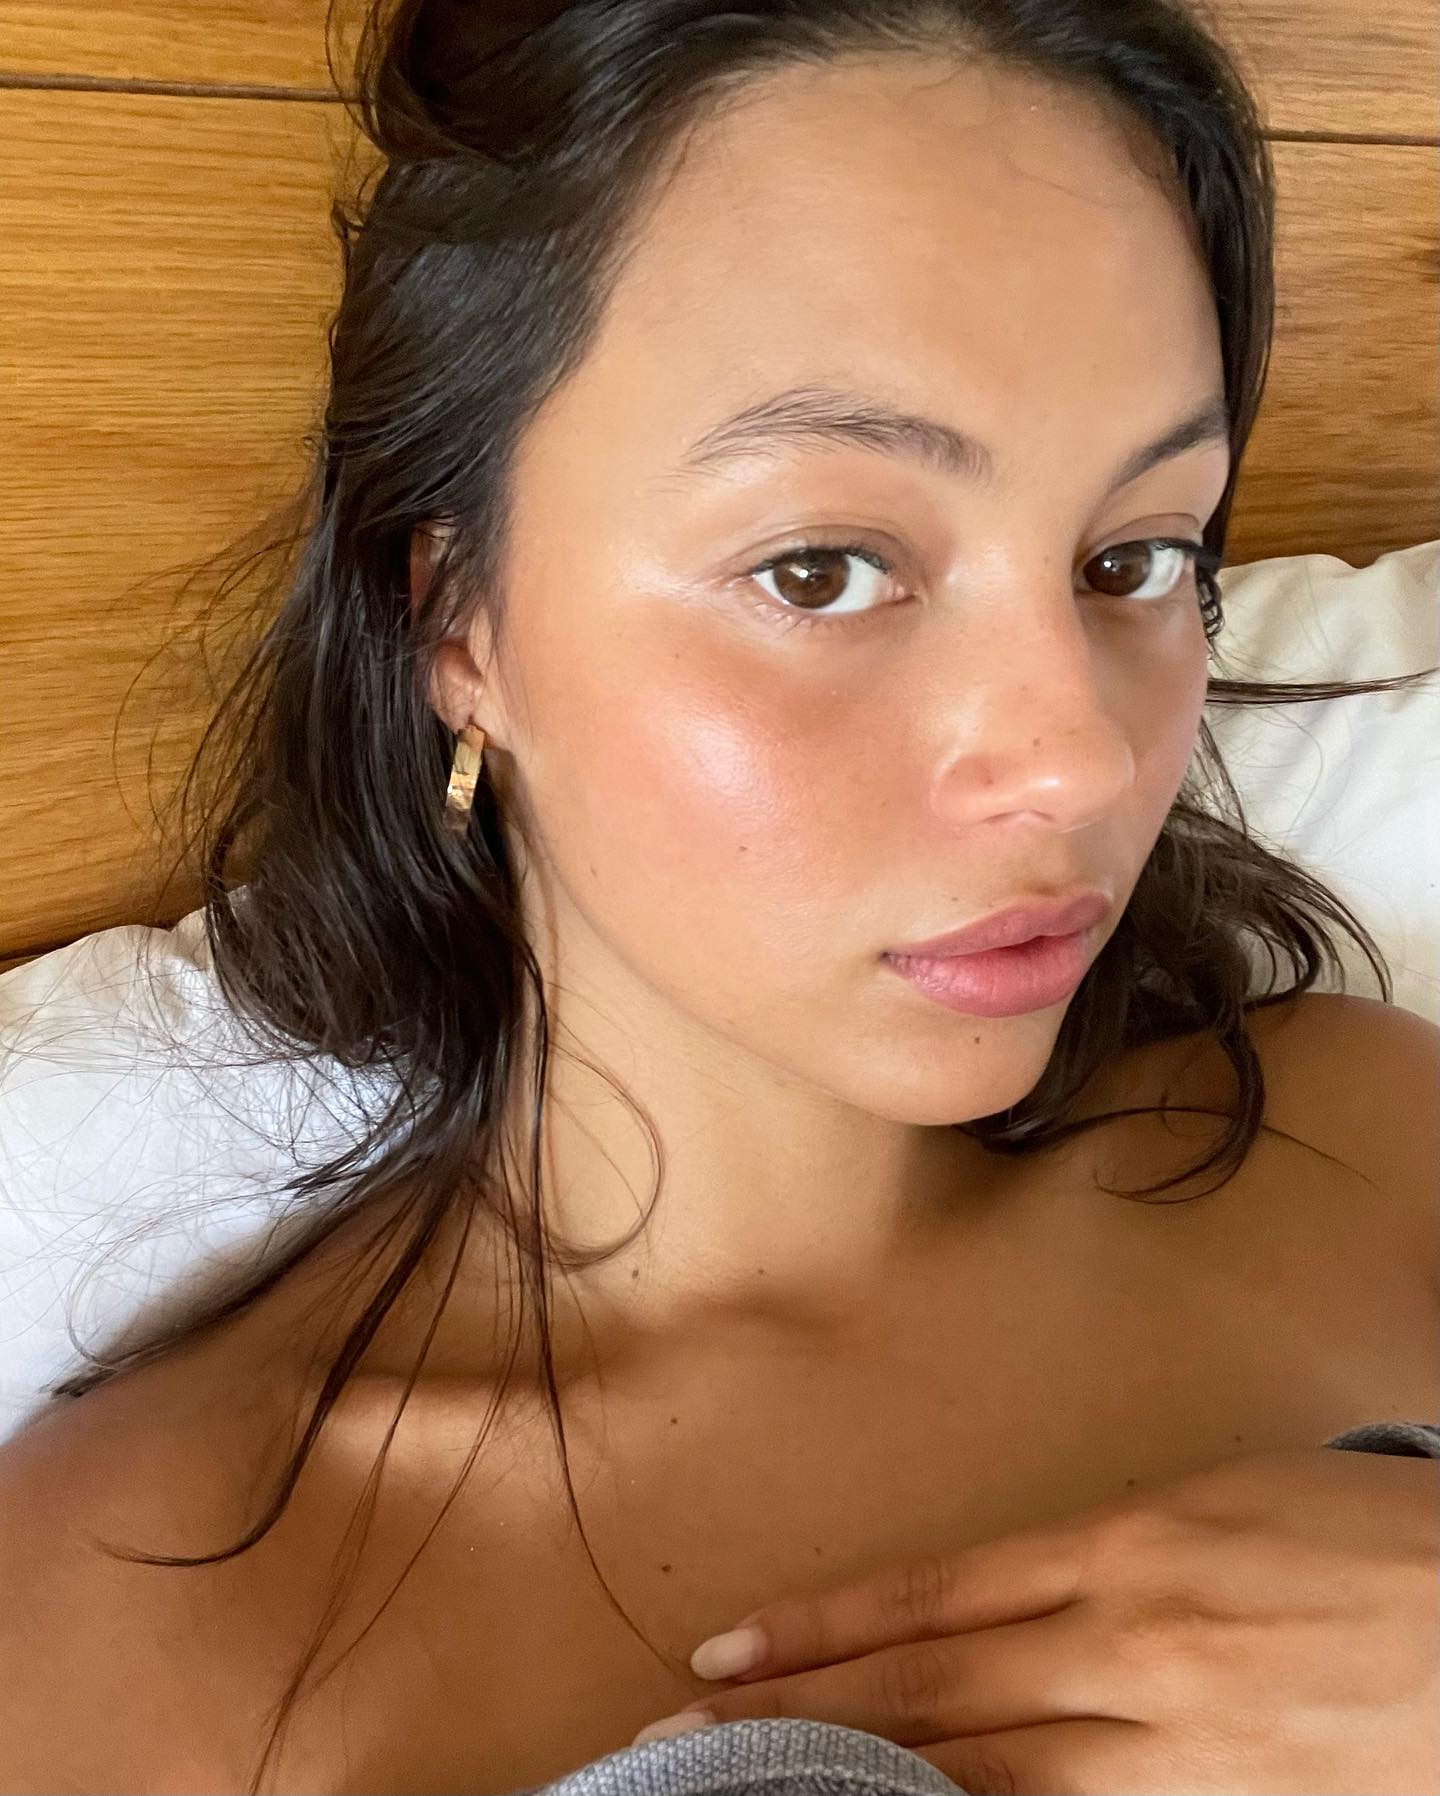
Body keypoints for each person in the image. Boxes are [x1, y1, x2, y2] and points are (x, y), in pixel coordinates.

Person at [0, 0, 1435, 1791]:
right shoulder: (133, 1632)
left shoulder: (1380, 1155)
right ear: (460, 624)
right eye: (821, 570)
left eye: (1135, 556)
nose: (1078, 757)